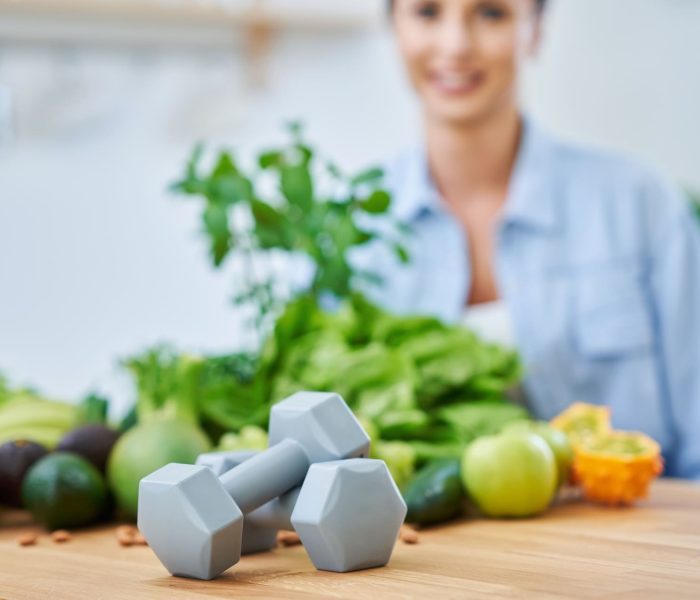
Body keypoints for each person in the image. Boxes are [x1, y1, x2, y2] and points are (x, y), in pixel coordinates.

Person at [356, 0, 700, 479]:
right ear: (393, 26)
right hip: (419, 551)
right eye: (427, 12)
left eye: (492, 13)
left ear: (536, 29)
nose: (455, 46)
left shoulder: (641, 205)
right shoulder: (348, 231)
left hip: (635, 542)